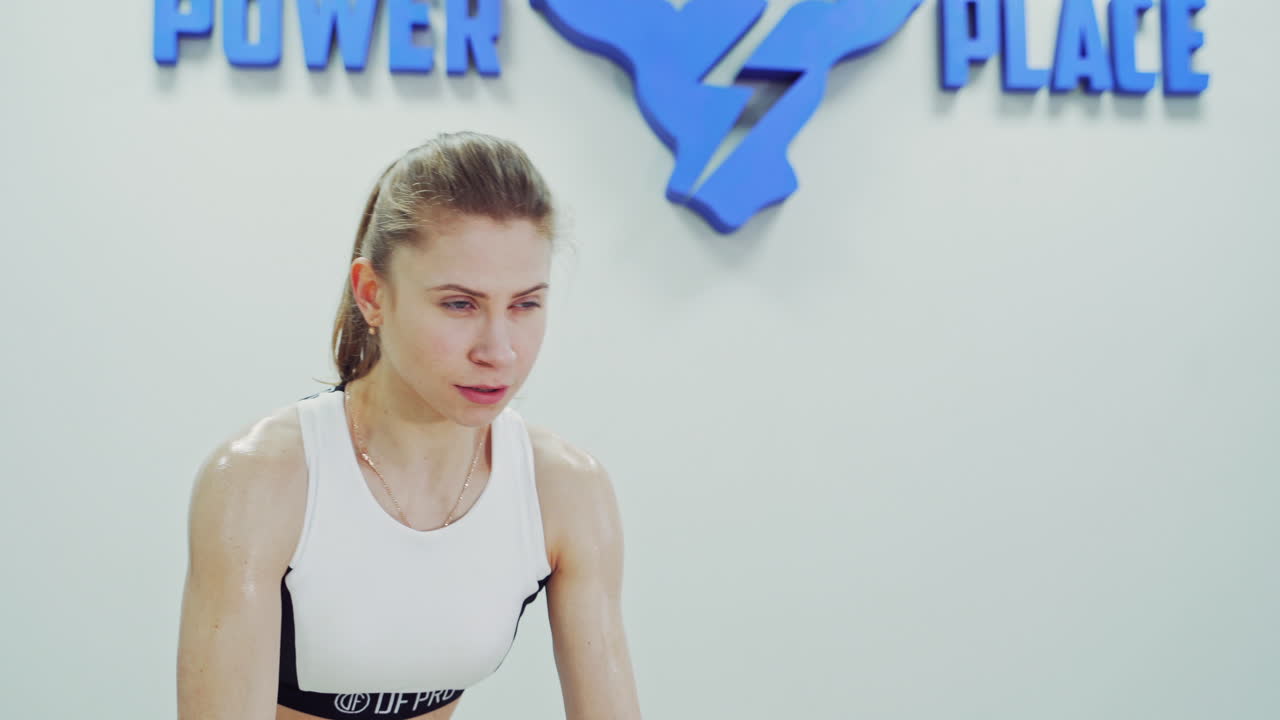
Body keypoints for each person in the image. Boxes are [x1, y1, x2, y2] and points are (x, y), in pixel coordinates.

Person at [176, 132, 642, 720]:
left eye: (525, 304)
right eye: (459, 304)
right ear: (372, 294)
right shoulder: (261, 480)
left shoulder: (566, 491)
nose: (498, 351)